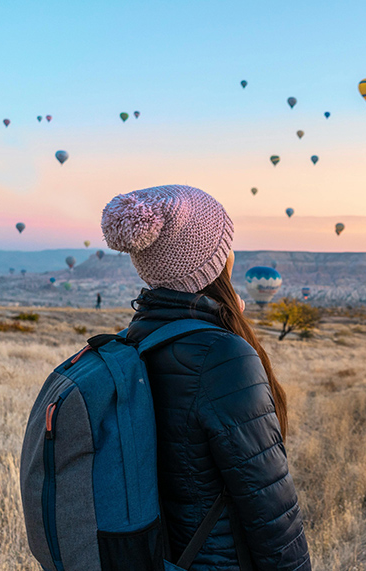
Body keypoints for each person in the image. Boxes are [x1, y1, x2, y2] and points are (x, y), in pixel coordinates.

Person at [101, 185, 310, 570]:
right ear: (213, 261)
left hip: (164, 557)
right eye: (227, 244)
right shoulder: (222, 355)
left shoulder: (137, 338)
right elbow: (270, 506)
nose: (232, 254)